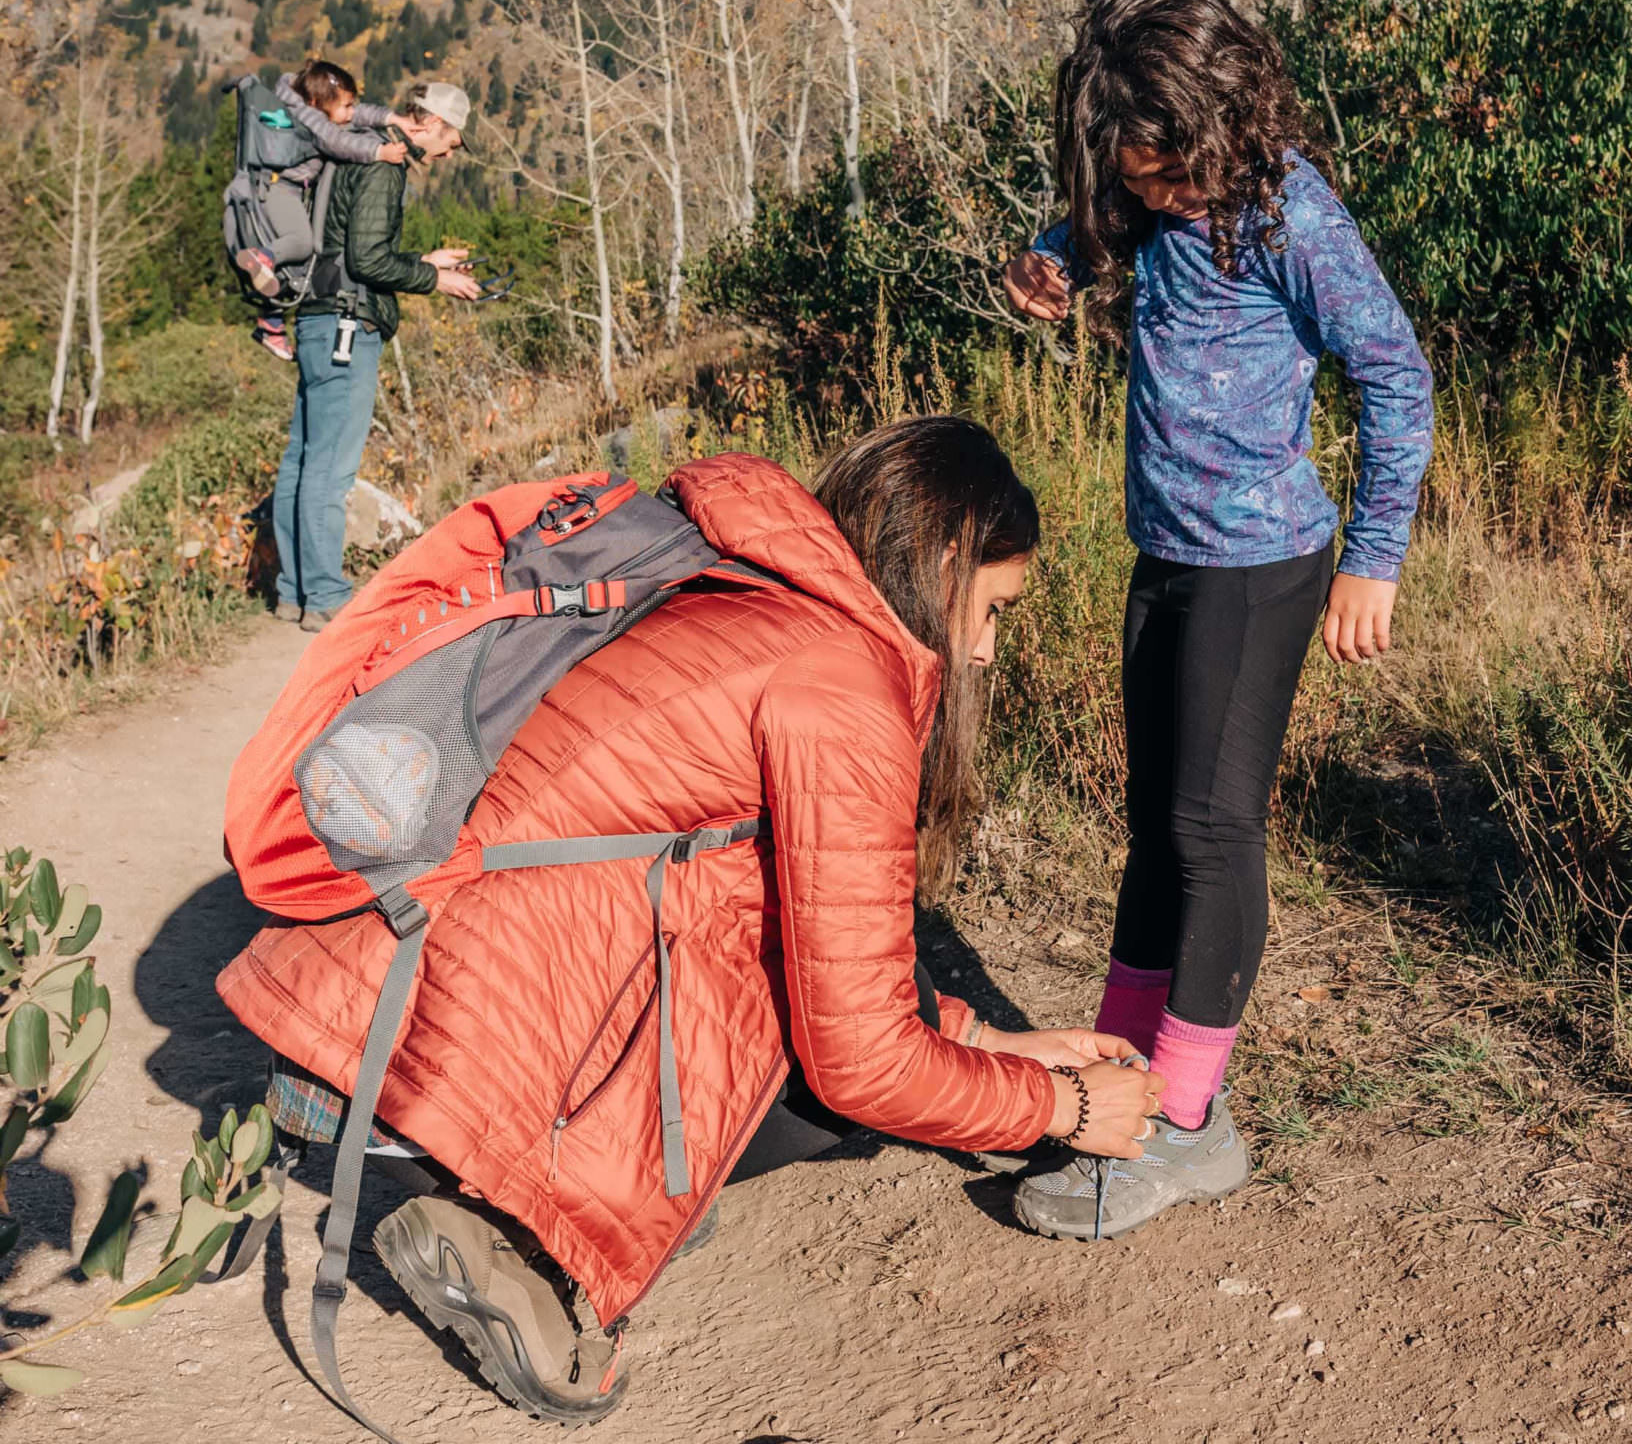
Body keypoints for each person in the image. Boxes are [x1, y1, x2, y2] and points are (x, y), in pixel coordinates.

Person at [217, 419, 1163, 1422]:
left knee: (769, 955)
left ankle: (377, 1110)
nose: (979, 649)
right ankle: (515, 1225)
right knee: (811, 1085)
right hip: (452, 1025)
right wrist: (1058, 1109)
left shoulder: (745, 592)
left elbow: (816, 926)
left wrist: (997, 1041)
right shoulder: (839, 686)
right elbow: (856, 1055)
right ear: (941, 561)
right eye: (992, 609)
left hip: (372, 973)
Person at [1000, 0, 1434, 1242]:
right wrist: (1052, 260)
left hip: (1265, 565)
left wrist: (1374, 557)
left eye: (1166, 174)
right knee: (1152, 828)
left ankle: (1188, 1128)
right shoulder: (1137, 200)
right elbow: (1092, 236)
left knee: (1209, 827)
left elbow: (1396, 376)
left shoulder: (1289, 211)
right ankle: (1119, 1094)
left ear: (1221, 124)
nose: (1149, 196)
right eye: (1127, 177)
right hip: (1167, 554)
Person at [275, 79, 482, 632]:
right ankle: (324, 596)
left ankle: (294, 591)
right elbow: (367, 262)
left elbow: (352, 246)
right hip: (348, 323)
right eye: (453, 141)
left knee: (302, 457)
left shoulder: (356, 145)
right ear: (433, 123)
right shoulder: (385, 164)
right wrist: (432, 278)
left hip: (317, 316)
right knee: (330, 466)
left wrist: (420, 258)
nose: (449, 154)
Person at [234, 58, 412, 362]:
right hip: (279, 190)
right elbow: (336, 141)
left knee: (296, 271)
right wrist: (379, 152)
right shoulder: (311, 119)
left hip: (281, 189)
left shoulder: (314, 108)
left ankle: (270, 323)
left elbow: (356, 116)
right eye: (345, 106)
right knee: (301, 243)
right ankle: (263, 257)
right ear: (317, 103)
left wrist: (393, 118)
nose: (350, 112)